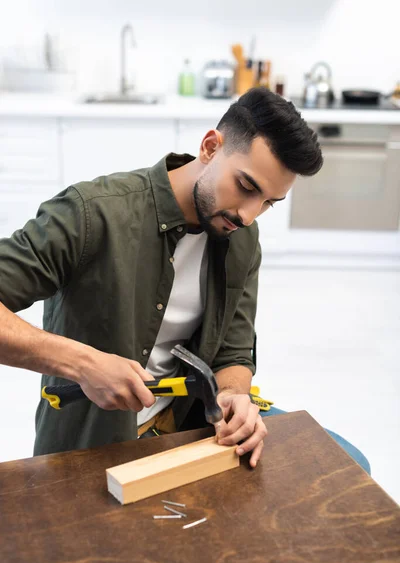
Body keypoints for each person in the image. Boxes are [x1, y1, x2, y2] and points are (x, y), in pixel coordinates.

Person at [0, 88, 370, 473]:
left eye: (268, 203)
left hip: (193, 431)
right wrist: (84, 363)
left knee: (352, 464)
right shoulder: (92, 215)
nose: (248, 214)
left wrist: (233, 397)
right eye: (246, 187)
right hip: (95, 449)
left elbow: (233, 352)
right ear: (210, 146)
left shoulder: (242, 237)